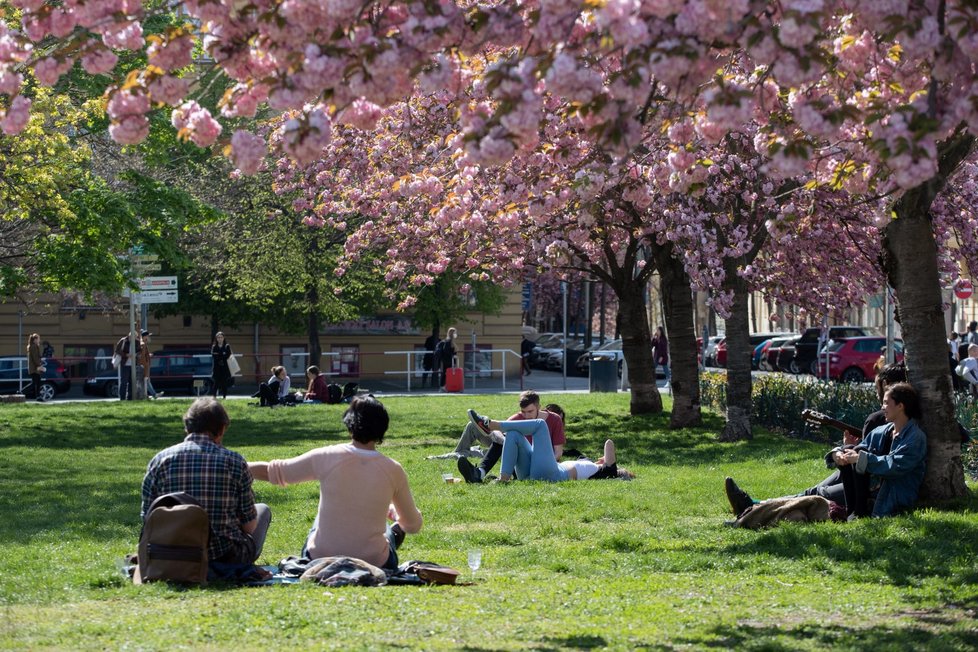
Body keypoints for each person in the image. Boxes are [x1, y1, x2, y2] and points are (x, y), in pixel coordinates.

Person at [249, 395, 423, 570]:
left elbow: (277, 471)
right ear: (382, 429)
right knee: (385, 529)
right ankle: (391, 534)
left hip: (320, 557)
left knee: (319, 520)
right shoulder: (393, 469)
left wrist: (237, 464)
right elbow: (412, 525)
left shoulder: (327, 456)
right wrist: (399, 514)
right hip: (374, 561)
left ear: (350, 425)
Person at [727, 378, 927, 520]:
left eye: (886, 403)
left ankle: (754, 507)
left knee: (818, 494)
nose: (882, 407)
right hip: (866, 486)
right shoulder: (884, 430)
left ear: (900, 406)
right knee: (814, 490)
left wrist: (859, 459)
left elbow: (895, 466)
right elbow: (859, 448)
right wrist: (839, 453)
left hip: (884, 495)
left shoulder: (915, 438)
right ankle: (755, 505)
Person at [141, 398, 272, 565]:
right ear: (222, 429)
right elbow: (249, 526)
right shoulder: (235, 462)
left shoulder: (159, 460)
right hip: (225, 556)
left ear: (187, 426)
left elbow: (147, 518)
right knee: (263, 510)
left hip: (171, 555)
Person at [464, 409, 630, 482]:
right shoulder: (586, 462)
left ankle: (491, 425)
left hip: (555, 475)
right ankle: (504, 478)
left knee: (540, 425)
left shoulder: (605, 472)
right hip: (533, 473)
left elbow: (609, 444)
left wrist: (606, 463)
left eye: (606, 460)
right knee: (513, 434)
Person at [457, 390, 565, 483]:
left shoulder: (554, 419)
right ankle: (479, 473)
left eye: (530, 411)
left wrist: (539, 463)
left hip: (544, 464)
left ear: (538, 407)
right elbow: (500, 433)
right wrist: (506, 441)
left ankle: (490, 425)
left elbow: (558, 453)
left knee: (535, 425)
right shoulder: (518, 417)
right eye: (523, 412)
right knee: (505, 437)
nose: (526, 416)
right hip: (522, 464)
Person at [115, 330, 141, 401]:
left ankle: (130, 398)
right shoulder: (123, 341)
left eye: (135, 338)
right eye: (132, 337)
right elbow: (117, 350)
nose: (133, 339)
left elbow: (139, 351)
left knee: (132, 382)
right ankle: (122, 398)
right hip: (125, 364)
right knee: (124, 382)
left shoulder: (137, 342)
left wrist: (137, 355)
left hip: (133, 364)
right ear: (129, 336)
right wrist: (126, 355)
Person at [138, 330, 161, 399]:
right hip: (144, 366)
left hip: (145, 365)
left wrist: (148, 355)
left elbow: (143, 355)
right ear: (145, 337)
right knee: (145, 381)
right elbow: (141, 356)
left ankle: (148, 395)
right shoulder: (142, 344)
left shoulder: (143, 343)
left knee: (145, 381)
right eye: (148, 336)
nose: (149, 338)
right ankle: (153, 395)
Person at [210, 331, 233, 399]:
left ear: (223, 338)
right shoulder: (214, 347)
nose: (220, 339)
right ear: (216, 339)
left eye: (221, 337)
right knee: (216, 383)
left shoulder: (227, 346)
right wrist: (222, 355)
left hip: (225, 368)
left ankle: (224, 397)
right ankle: (214, 397)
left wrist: (220, 356)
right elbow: (214, 356)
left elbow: (228, 355)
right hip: (217, 368)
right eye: (218, 337)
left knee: (224, 383)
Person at [26, 333, 44, 402]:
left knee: (35, 382)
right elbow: (35, 358)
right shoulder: (34, 346)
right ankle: (38, 396)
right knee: (37, 382)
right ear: (35, 340)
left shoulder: (31, 346)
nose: (39, 340)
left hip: (34, 367)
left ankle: (38, 396)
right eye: (38, 339)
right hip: (35, 368)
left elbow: (36, 357)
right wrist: (39, 365)